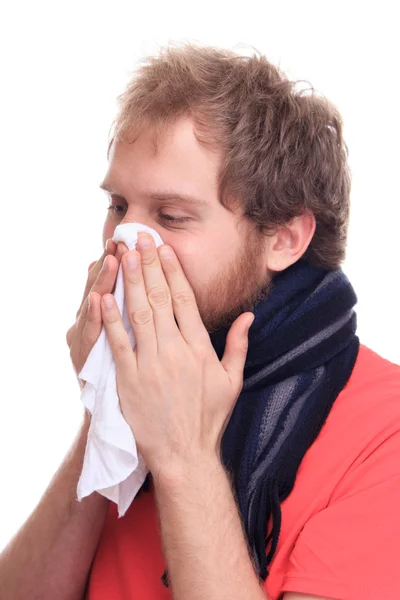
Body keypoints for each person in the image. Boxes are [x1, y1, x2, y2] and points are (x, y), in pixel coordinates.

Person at [1, 43, 399, 600]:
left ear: (284, 238)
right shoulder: (139, 388)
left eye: (170, 216)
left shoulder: (387, 431)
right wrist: (108, 405)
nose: (125, 242)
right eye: (118, 205)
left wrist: (183, 452)